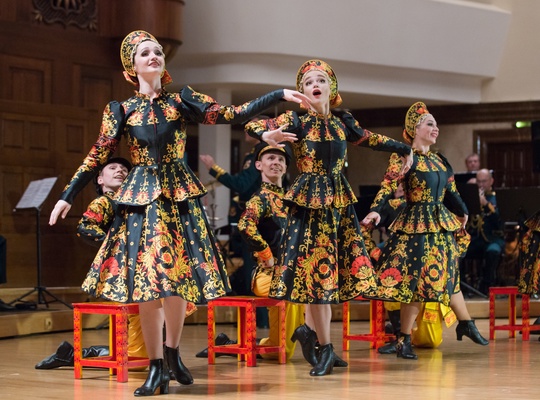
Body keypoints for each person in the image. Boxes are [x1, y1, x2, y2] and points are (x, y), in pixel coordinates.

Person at [48, 30, 310, 397]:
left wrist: (276, 95)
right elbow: (97, 155)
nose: (154, 56)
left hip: (178, 197)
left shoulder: (181, 100)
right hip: (141, 201)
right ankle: (156, 365)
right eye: (145, 53)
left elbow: (230, 113)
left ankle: (171, 352)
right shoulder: (120, 110)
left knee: (177, 281)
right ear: (131, 66)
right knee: (148, 284)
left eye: (157, 51)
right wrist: (67, 195)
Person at [245, 59, 413, 376]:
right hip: (309, 203)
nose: (314, 85)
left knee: (330, 279)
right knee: (318, 278)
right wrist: (266, 134)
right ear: (302, 92)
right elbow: (252, 126)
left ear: (331, 88)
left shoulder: (342, 122)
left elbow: (371, 138)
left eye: (320, 80)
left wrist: (404, 148)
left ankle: (312, 335)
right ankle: (324, 347)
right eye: (308, 82)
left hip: (338, 202)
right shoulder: (295, 120)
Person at [363, 101, 488, 360]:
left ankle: (464, 323)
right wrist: (375, 210)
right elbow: (388, 186)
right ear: (415, 129)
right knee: (416, 283)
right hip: (416, 224)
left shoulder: (440, 160)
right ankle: (406, 338)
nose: (436, 128)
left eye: (436, 124)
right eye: (430, 124)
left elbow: (451, 191)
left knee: (449, 273)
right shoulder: (403, 157)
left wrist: (463, 212)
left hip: (439, 223)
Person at [36, 158, 143, 369]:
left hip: (138, 270)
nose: (120, 171)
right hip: (121, 274)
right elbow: (86, 227)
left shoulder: (133, 203)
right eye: (112, 168)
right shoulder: (103, 202)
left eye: (124, 169)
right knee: (136, 352)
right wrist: (116, 245)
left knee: (142, 335)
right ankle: (75, 355)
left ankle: (72, 354)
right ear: (100, 179)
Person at [465, 168, 504, 294]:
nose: (481, 185)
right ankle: (462, 287)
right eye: (478, 182)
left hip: (493, 238)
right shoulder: (472, 197)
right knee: (458, 251)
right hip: (476, 239)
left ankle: (487, 285)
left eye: (484, 181)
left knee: (493, 251)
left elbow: (499, 222)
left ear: (491, 181)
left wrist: (486, 205)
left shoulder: (497, 198)